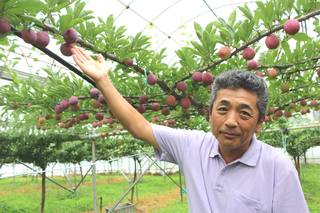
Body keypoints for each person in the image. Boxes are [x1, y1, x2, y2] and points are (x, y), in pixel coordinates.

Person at [71, 47, 309, 213]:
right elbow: (139, 126)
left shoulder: (278, 168)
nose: (231, 121)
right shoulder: (193, 146)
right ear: (209, 113)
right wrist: (103, 81)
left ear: (260, 122)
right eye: (223, 109)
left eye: (244, 113)